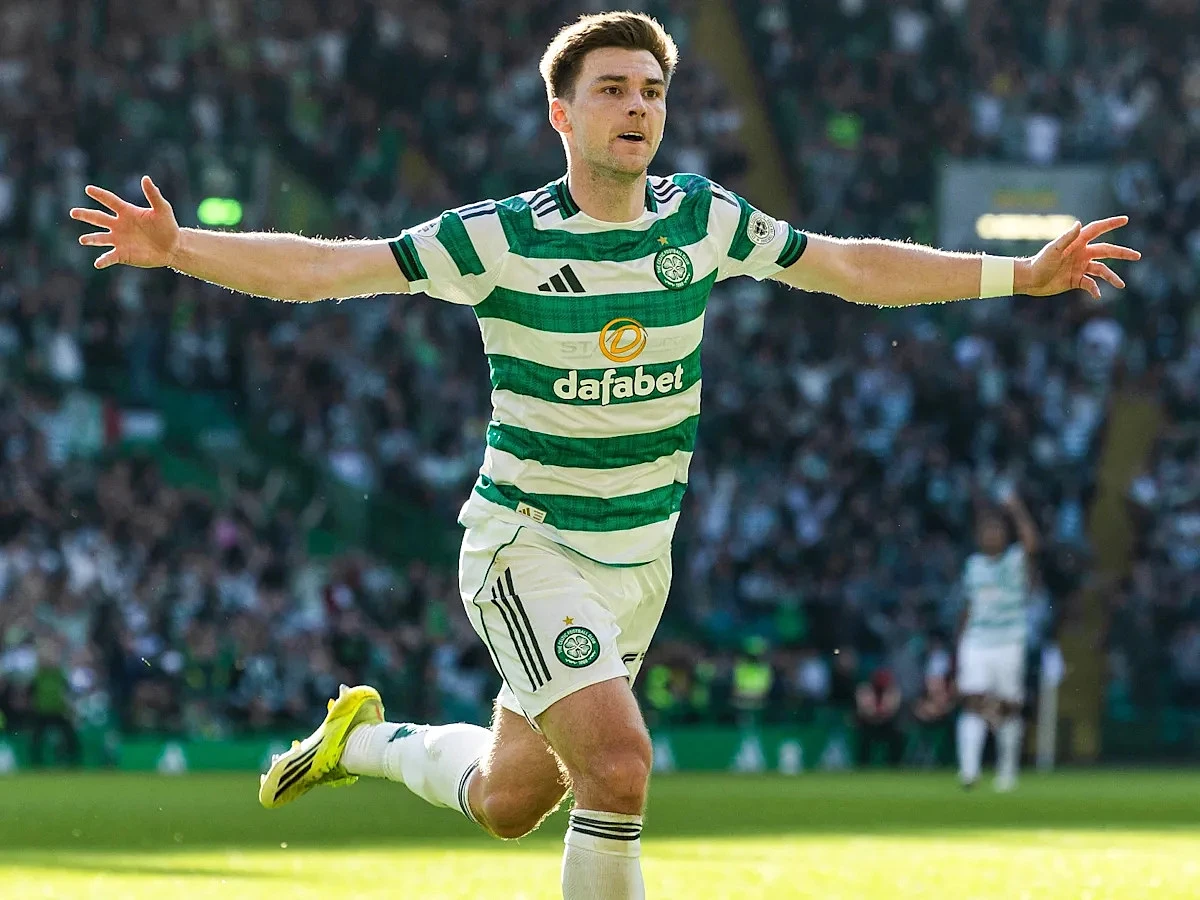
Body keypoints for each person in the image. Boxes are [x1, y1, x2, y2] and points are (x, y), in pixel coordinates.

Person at [70, 12, 1139, 898]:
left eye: (652, 92)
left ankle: (361, 744)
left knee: (509, 801)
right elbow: (329, 268)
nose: (638, 108)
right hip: (525, 547)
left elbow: (851, 267)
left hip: (639, 564)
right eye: (614, 90)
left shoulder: (702, 219)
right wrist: (181, 247)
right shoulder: (500, 237)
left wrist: (1018, 275)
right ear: (562, 114)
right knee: (620, 769)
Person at [955, 491, 1040, 792]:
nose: (991, 536)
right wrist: (959, 643)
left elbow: (1032, 543)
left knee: (1008, 706)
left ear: (1005, 535)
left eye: (996, 531)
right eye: (986, 531)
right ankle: (969, 770)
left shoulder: (1015, 561)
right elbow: (968, 606)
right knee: (973, 700)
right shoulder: (973, 565)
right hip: (977, 641)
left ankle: (1007, 770)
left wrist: (1016, 509)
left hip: (1008, 641)